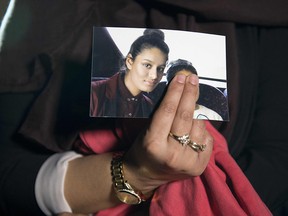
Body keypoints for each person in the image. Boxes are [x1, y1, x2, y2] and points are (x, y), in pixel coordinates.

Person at [90, 29, 169, 118]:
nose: (154, 76)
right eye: (147, 65)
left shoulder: (149, 106)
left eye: (160, 69)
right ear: (129, 62)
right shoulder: (93, 94)